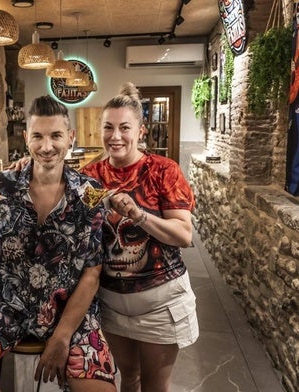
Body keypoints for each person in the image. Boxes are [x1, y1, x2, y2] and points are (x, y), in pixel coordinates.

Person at [0, 95, 116, 392]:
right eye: (38, 136)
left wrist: (62, 337)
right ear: (26, 138)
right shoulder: (2, 185)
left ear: (70, 138)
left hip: (70, 313)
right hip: (7, 303)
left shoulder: (90, 194)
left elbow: (91, 275)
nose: (47, 146)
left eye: (55, 136)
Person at [81, 82, 199, 392]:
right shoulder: (90, 176)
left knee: (154, 387)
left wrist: (138, 216)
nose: (115, 136)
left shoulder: (163, 171)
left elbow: (184, 235)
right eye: (108, 127)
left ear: (141, 131)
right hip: (112, 303)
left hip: (161, 304)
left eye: (124, 128)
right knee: (128, 380)